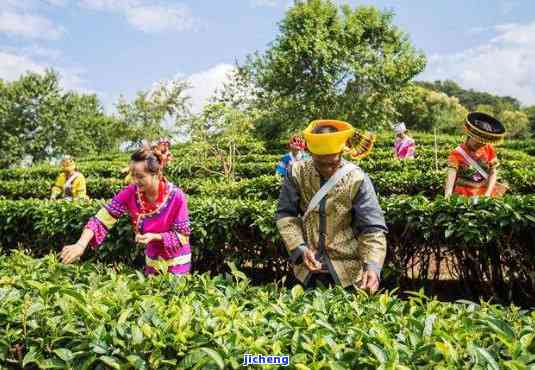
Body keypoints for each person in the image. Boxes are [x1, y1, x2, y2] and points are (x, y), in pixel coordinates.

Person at [275, 119, 387, 293]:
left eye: (333, 163)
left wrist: (372, 266)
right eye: (321, 164)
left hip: (347, 272)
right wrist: (300, 248)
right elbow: (286, 215)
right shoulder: (295, 172)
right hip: (306, 272)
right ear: (311, 153)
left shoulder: (357, 178)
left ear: (342, 153)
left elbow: (371, 228)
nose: (328, 169)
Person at [60, 146, 191, 276]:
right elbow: (101, 218)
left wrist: (155, 236)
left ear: (156, 174)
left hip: (177, 261)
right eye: (133, 175)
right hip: (153, 260)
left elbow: (183, 236)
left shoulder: (176, 196)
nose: (135, 181)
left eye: (140, 176)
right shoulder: (131, 192)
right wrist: (81, 245)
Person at [445, 112, 508, 198]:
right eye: (477, 142)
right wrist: (447, 195)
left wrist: (488, 194)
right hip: (463, 196)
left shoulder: (489, 149)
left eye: (483, 143)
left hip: (483, 196)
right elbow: (451, 176)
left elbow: (493, 172)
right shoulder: (457, 153)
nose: (481, 144)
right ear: (470, 136)